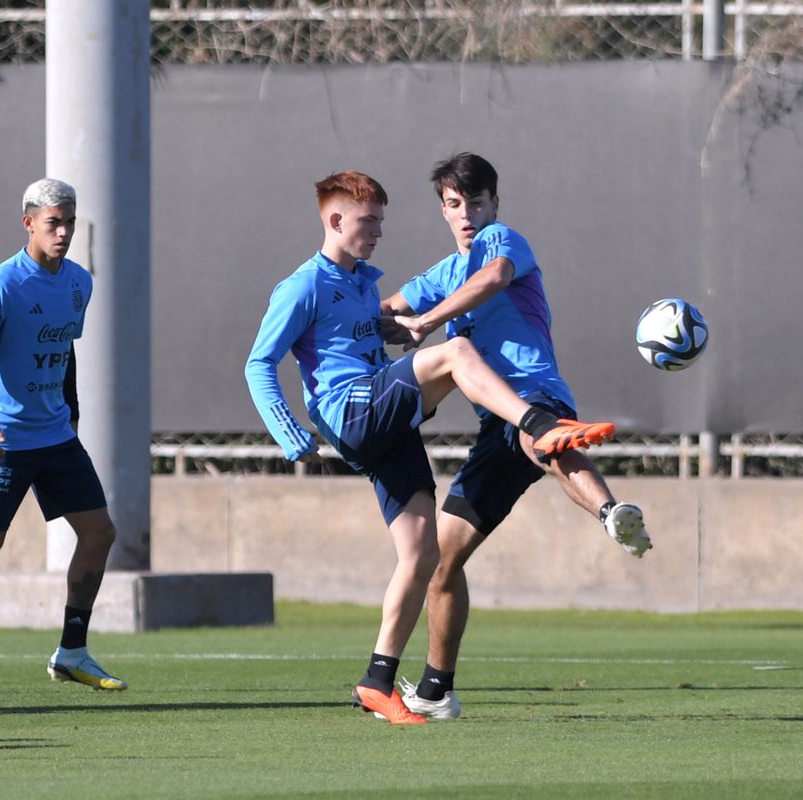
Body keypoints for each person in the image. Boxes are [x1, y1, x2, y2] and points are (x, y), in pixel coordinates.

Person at [244, 170, 616, 725]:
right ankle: (537, 422)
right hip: (355, 411)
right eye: (368, 221)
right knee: (457, 350)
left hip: (387, 427)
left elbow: (391, 324)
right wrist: (288, 431)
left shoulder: (365, 286)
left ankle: (377, 681)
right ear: (335, 220)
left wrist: (401, 324)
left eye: (381, 222)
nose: (377, 232)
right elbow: (258, 364)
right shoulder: (302, 285)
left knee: (423, 557)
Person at [378, 153, 652, 720]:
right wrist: (333, 315)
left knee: (540, 438)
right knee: (439, 560)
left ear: (494, 204)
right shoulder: (440, 275)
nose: (467, 214)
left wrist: (426, 324)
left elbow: (493, 279)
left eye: (475, 202)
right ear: (443, 210)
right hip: (493, 430)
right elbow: (388, 310)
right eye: (455, 204)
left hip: (536, 399)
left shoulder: (504, 242)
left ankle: (608, 510)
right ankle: (435, 690)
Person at [0, 178, 127, 694]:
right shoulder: (2, 286)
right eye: (54, 222)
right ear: (28, 223)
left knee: (100, 534)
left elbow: (65, 347)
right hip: (4, 438)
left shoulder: (79, 283)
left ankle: (71, 651)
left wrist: (71, 408)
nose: (64, 231)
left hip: (54, 435)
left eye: (70, 221)